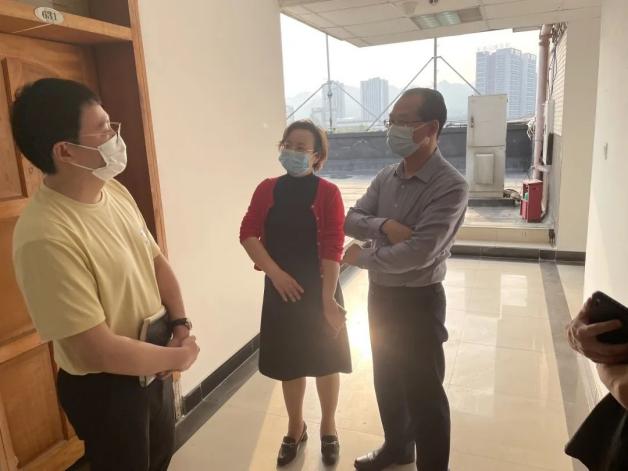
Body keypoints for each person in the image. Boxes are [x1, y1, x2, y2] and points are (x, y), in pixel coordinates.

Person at [11, 78, 200, 471]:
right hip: (109, 389)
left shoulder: (113, 191)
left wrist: (179, 324)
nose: (115, 137)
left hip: (155, 365)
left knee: (159, 458)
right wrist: (178, 358)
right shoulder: (45, 236)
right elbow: (94, 350)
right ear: (65, 150)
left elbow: (155, 261)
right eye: (102, 129)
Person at [344, 88, 469, 471]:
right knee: (386, 377)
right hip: (381, 296)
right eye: (391, 121)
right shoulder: (387, 176)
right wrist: (385, 225)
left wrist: (362, 256)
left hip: (419, 301)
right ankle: (397, 448)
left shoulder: (450, 185)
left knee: (424, 392)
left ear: (431, 128)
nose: (393, 129)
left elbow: (419, 253)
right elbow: (351, 218)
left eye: (403, 121)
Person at [240, 119, 351, 467]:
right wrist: (275, 275)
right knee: (290, 364)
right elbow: (248, 233)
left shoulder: (328, 192)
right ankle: (295, 427)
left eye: (301, 148)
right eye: (287, 145)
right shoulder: (267, 189)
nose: (292, 152)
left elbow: (333, 246)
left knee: (326, 361)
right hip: (281, 290)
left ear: (317, 156)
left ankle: (328, 427)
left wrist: (328, 300)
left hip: (321, 288)